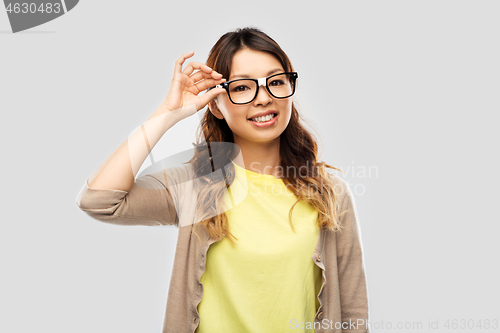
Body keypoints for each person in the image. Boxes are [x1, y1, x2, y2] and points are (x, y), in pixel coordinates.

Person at [75, 27, 370, 333]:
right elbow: (100, 200)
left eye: (276, 82)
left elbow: (353, 313)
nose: (264, 98)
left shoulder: (330, 193)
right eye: (242, 87)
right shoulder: (195, 185)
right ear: (216, 103)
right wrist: (167, 113)